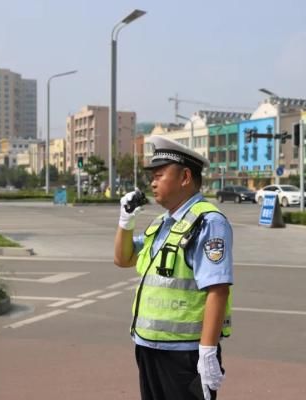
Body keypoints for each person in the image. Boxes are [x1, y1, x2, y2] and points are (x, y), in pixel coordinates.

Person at [114, 135, 233, 400]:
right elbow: (123, 259)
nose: (153, 183)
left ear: (185, 177)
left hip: (184, 354)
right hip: (148, 345)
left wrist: (208, 352)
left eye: (159, 175)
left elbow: (218, 289)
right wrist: (125, 221)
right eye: (152, 177)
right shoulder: (161, 223)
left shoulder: (208, 222)